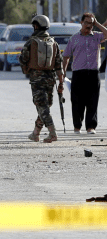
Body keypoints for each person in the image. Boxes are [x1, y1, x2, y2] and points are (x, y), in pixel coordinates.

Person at [62, 12, 107, 134]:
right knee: (77, 101)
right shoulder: (74, 39)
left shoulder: (97, 36)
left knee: (92, 101)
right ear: (81, 22)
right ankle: (77, 127)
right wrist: (63, 73)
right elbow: (66, 56)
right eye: (87, 22)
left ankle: (90, 127)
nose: (89, 25)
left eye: (91, 23)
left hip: (93, 73)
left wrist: (98, 23)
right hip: (78, 73)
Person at [19, 15, 64, 143]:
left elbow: (23, 59)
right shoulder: (53, 43)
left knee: (42, 107)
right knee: (45, 106)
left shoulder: (31, 42)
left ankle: (52, 133)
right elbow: (59, 65)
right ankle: (36, 133)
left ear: (36, 26)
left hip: (36, 79)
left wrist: (26, 70)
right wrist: (61, 83)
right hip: (50, 79)